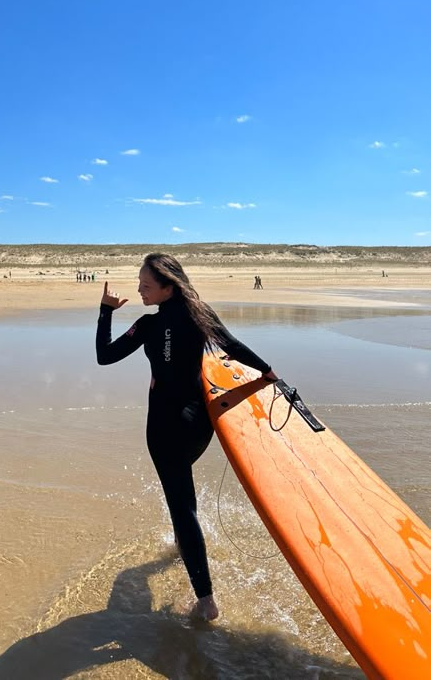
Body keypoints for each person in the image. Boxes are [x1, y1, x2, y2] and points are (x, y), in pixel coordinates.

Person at [96, 253, 278, 621]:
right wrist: (268, 371)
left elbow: (104, 356)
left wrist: (105, 311)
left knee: (182, 505)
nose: (139, 290)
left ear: (167, 287)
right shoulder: (200, 315)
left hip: (164, 427)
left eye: (146, 285)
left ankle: (206, 600)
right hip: (200, 426)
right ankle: (183, 543)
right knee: (183, 492)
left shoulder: (147, 326)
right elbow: (233, 346)